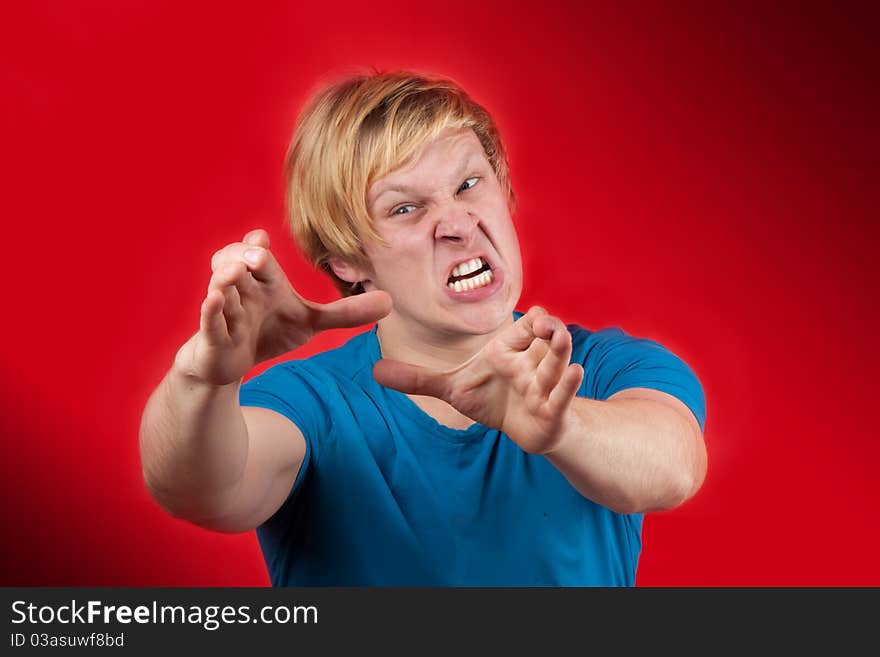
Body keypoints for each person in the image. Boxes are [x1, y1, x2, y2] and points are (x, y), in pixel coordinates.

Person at [139, 71, 707, 586]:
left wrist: (562, 427)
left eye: (468, 185)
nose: (458, 224)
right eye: (406, 208)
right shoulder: (310, 404)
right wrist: (203, 379)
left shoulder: (606, 366)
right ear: (345, 260)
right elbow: (202, 491)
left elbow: (673, 467)